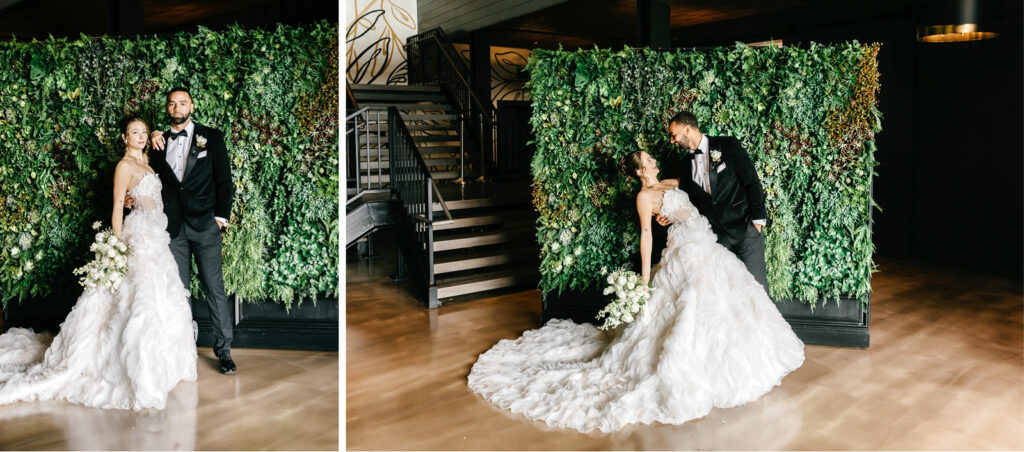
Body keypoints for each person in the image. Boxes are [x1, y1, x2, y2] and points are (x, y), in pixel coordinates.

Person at [466, 150, 804, 433]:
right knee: (690, 310)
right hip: (685, 255)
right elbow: (646, 235)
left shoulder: (671, 182)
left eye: (653, 158)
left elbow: (697, 190)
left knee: (731, 304)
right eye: (649, 161)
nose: (656, 161)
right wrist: (644, 280)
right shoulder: (644, 197)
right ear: (640, 171)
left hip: (708, 248)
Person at [0, 115, 197, 410]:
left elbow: (168, 145)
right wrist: (117, 247)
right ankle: (134, 369)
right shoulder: (125, 166)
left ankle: (167, 365)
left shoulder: (147, 163)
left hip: (157, 239)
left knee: (163, 297)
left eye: (143, 132)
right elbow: (118, 206)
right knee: (137, 300)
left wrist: (156, 130)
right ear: (124, 138)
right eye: (134, 132)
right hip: (138, 239)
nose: (141, 136)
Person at [147, 87, 236, 374]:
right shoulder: (158, 143)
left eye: (182, 103)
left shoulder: (212, 137)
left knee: (214, 289)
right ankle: (183, 351)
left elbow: (224, 181)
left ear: (192, 106)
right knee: (179, 292)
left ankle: (224, 352)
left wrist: (220, 219)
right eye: (172, 103)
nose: (177, 107)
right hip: (173, 229)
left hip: (206, 225)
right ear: (167, 108)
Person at [657, 111, 770, 289]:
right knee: (726, 291)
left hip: (745, 229)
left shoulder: (728, 145)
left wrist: (757, 223)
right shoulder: (685, 165)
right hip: (718, 239)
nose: (672, 140)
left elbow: (752, 182)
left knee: (758, 288)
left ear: (687, 129)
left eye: (674, 135)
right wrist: (670, 214)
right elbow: (690, 201)